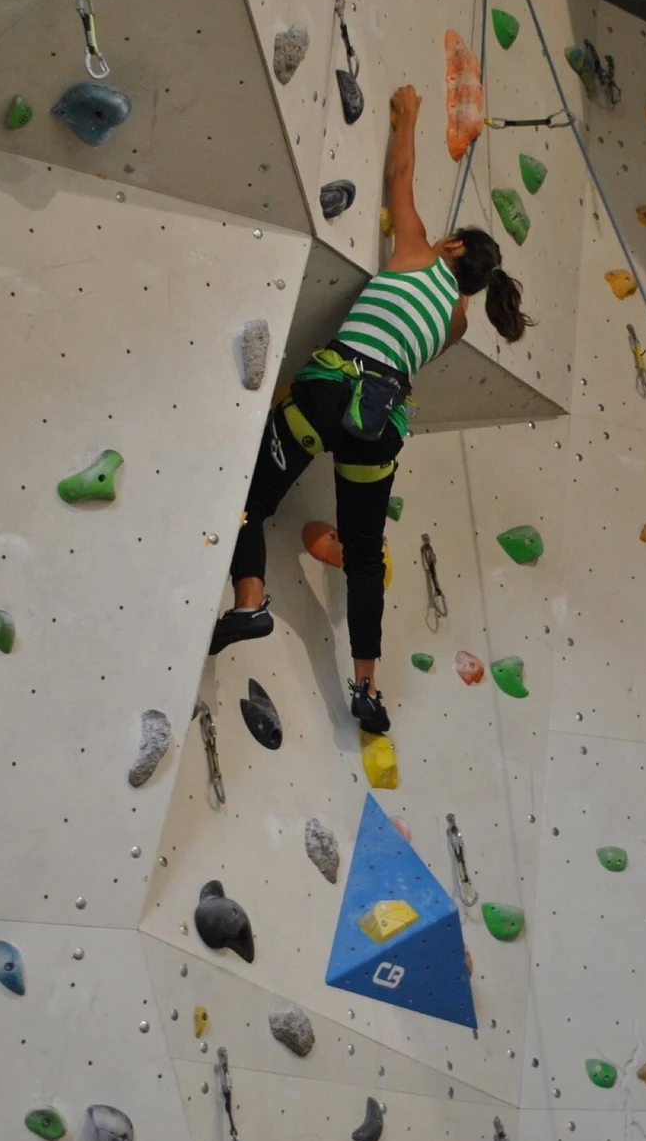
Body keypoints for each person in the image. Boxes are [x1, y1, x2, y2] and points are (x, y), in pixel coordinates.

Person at [210, 84, 534, 734]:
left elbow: (400, 175)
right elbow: (425, 334)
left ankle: (249, 602)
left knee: (253, 499)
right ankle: (367, 691)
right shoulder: (458, 322)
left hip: (331, 389)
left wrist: (408, 115)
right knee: (363, 557)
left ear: (451, 247)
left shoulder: (417, 252)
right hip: (380, 423)